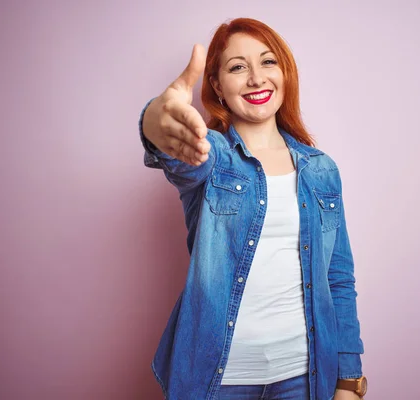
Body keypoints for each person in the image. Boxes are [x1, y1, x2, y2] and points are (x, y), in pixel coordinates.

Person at [139, 18, 366, 400]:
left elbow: (338, 278)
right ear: (217, 86)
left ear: (285, 73)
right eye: (238, 67)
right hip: (217, 380)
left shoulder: (322, 169)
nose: (256, 78)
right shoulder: (210, 155)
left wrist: (349, 381)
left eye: (267, 62)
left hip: (305, 377)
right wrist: (156, 122)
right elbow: (174, 154)